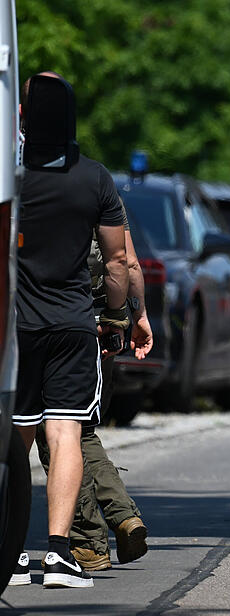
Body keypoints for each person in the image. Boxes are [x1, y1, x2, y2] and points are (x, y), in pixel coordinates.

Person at [11, 72, 129, 588]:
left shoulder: (7, 178)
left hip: (14, 328)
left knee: (13, 439)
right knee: (66, 434)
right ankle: (58, 554)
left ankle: (10, 552)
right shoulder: (94, 178)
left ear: (23, 117)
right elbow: (119, 261)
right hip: (73, 324)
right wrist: (119, 316)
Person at [34, 200, 152, 572]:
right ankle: (122, 515)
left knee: (58, 428)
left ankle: (89, 541)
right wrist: (137, 315)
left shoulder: (29, 184)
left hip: (48, 319)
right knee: (78, 428)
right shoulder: (100, 189)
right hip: (99, 321)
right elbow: (126, 262)